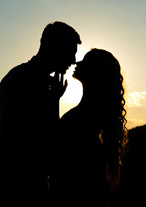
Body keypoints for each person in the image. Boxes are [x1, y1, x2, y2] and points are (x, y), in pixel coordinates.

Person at [0, 21, 81, 197]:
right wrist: (51, 102)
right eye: (70, 52)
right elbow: (22, 140)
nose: (73, 61)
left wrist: (53, 101)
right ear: (53, 46)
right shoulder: (19, 79)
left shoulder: (44, 84)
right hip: (19, 186)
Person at [58, 48, 128, 206]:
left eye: (85, 61)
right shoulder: (93, 113)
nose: (77, 62)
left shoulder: (86, 117)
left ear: (96, 73)